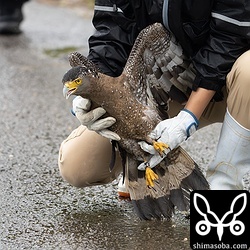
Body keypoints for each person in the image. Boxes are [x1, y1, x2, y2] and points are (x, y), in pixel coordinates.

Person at [58, 0, 250, 192]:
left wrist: (187, 119)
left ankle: (225, 188)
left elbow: (229, 38)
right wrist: (91, 98)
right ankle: (142, 168)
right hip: (163, 86)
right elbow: (111, 34)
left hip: (233, 88)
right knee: (78, 165)